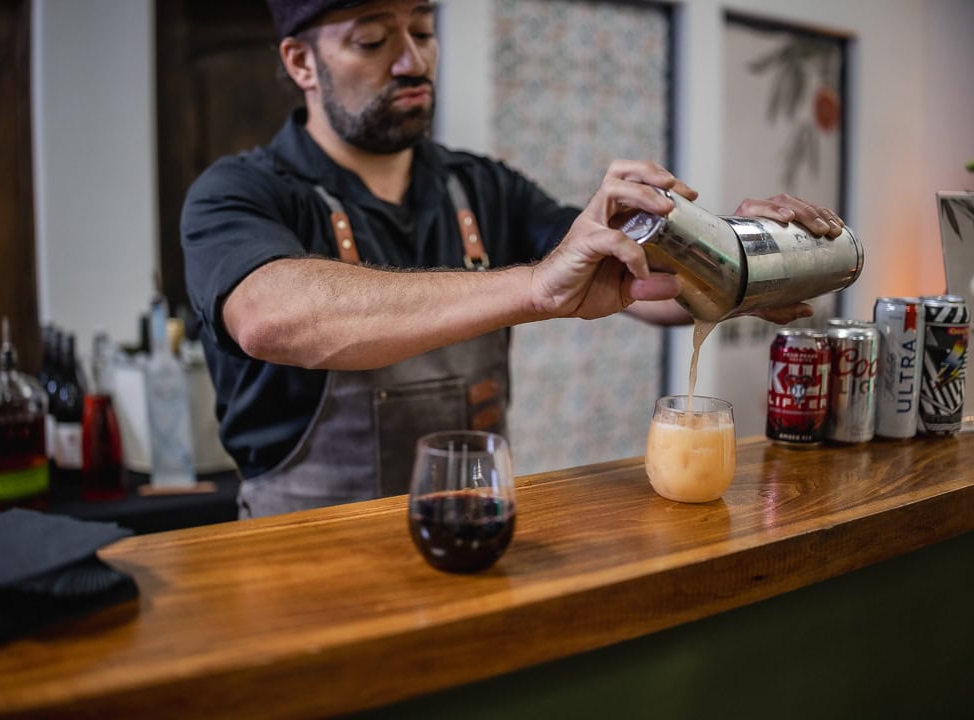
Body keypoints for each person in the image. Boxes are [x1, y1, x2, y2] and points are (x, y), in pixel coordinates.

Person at [181, 0, 847, 518]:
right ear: (301, 63)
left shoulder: (483, 187)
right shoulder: (239, 192)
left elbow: (638, 279)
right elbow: (270, 317)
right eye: (373, 41)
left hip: (473, 542)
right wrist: (533, 288)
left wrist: (745, 263)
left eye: (423, 29)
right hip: (301, 570)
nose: (413, 61)